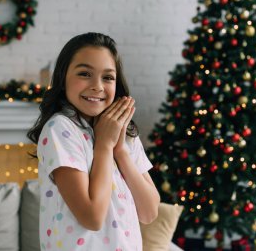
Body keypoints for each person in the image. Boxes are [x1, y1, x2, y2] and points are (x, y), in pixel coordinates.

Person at [27, 32, 160, 251]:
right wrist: (104, 147)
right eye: (85, 73)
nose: (97, 86)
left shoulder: (122, 130)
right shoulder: (60, 129)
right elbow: (92, 218)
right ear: (63, 79)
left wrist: (121, 152)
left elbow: (149, 213)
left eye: (107, 77)